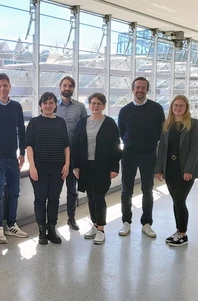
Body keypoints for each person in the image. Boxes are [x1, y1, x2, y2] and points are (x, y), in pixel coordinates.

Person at [117, 77, 165, 238]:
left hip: (148, 154)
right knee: (126, 191)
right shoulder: (124, 110)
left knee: (147, 190)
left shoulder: (156, 109)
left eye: (143, 88)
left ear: (147, 90)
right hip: (129, 154)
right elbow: (122, 132)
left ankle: (146, 223)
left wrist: (149, 143)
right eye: (137, 87)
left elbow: (161, 131)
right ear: (132, 89)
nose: (140, 90)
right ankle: (126, 222)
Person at [71, 93, 122, 245]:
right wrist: (76, 166)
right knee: (91, 197)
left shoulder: (110, 123)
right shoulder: (82, 123)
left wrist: (114, 167)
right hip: (86, 166)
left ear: (104, 106)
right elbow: (75, 146)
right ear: (89, 105)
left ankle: (101, 229)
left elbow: (116, 146)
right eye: (93, 103)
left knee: (99, 197)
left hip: (103, 167)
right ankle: (94, 225)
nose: (95, 106)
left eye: (99, 103)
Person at [0, 73, 28, 244]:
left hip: (13, 157)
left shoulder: (16, 107)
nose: (3, 88)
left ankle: (12, 224)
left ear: (10, 86)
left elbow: (21, 131)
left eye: (5, 85)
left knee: (15, 192)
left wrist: (22, 153)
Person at [155, 95, 198, 247]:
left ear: (186, 108)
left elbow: (195, 149)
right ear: (171, 107)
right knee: (176, 200)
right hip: (170, 169)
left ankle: (183, 233)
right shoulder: (166, 124)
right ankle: (178, 231)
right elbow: (162, 148)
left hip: (185, 169)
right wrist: (159, 169)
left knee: (180, 200)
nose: (178, 108)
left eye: (181, 105)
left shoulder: (193, 124)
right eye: (175, 105)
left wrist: (189, 169)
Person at [26, 92, 70, 245]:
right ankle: (41, 230)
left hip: (58, 167)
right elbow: (29, 146)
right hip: (39, 167)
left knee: (54, 199)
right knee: (40, 199)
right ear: (40, 105)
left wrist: (67, 164)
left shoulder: (61, 122)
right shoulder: (34, 122)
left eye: (51, 103)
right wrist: (32, 166)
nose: (48, 105)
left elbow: (66, 145)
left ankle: (52, 228)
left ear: (55, 105)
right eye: (45, 103)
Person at [56, 76, 88, 231]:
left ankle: (71, 218)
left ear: (73, 88)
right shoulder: (52, 104)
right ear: (60, 87)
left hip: (74, 153)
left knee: (72, 189)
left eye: (70, 86)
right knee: (54, 189)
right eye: (64, 85)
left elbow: (84, 129)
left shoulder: (80, 107)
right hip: (55, 153)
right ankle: (52, 219)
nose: (67, 88)